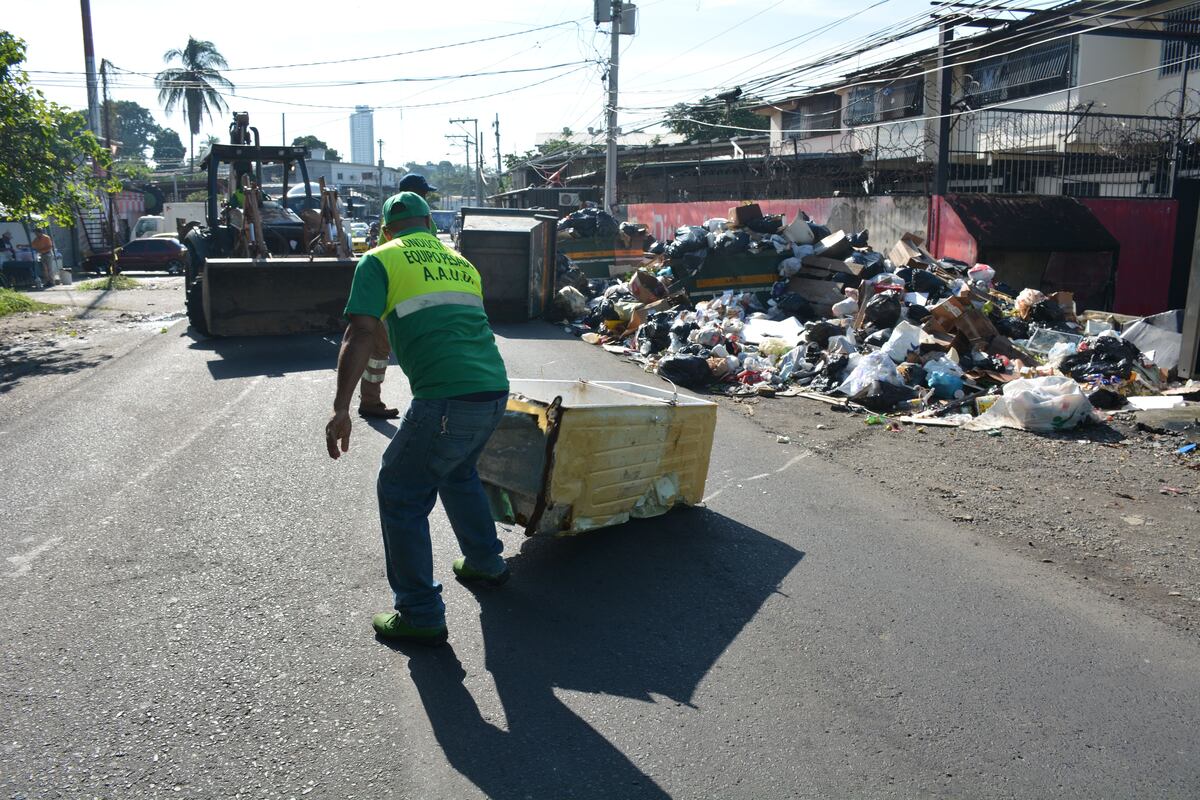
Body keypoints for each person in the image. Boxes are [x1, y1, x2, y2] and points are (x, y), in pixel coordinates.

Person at [326, 191, 510, 645]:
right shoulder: (462, 264)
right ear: (429, 224)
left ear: (387, 229)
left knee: (401, 491)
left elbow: (362, 331)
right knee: (458, 471)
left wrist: (341, 408)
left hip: (445, 399)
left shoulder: (379, 259)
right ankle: (485, 561)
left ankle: (420, 613)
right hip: (494, 390)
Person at [355, 174, 438, 418]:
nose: (426, 197)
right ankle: (375, 402)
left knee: (379, 351)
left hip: (392, 293)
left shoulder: (390, 217)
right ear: (415, 194)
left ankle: (371, 399)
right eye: (424, 193)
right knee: (397, 349)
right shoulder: (423, 221)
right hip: (409, 293)